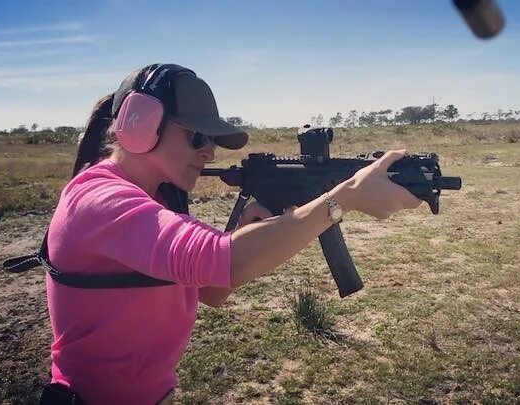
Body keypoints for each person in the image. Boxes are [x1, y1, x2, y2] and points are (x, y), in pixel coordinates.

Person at [41, 63, 421, 404]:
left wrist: (246, 231)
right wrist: (344, 198)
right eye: (196, 137)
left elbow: (212, 290)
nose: (209, 152)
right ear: (140, 124)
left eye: (212, 141)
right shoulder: (98, 198)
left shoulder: (157, 195)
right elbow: (224, 261)